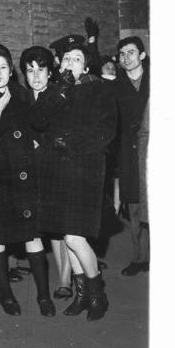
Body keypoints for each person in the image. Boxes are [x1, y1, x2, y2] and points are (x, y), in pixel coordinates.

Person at [0, 43, 55, 318]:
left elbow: (38, 128)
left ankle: (43, 296)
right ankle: (6, 294)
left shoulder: (21, 95)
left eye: (3, 67)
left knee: (33, 238)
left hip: (22, 178)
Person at [33, 43, 117, 321]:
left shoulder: (100, 89)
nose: (70, 62)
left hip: (86, 170)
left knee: (73, 236)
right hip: (58, 172)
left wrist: (69, 143)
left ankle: (97, 292)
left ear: (87, 65)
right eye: (67, 58)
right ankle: (82, 295)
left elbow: (105, 132)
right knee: (69, 238)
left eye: (77, 58)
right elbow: (40, 121)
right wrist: (59, 89)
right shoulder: (56, 90)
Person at [18, 45, 72, 301]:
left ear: (50, 73)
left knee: (63, 227)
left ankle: (65, 280)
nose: (36, 76)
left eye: (41, 70)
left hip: (57, 168)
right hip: (34, 171)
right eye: (30, 71)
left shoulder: (58, 95)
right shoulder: (23, 99)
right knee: (50, 227)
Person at [114, 36, 150, 276]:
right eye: (122, 54)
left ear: (142, 55)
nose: (126, 57)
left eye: (131, 52)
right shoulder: (116, 87)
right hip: (129, 154)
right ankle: (140, 258)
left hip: (156, 151)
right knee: (135, 209)